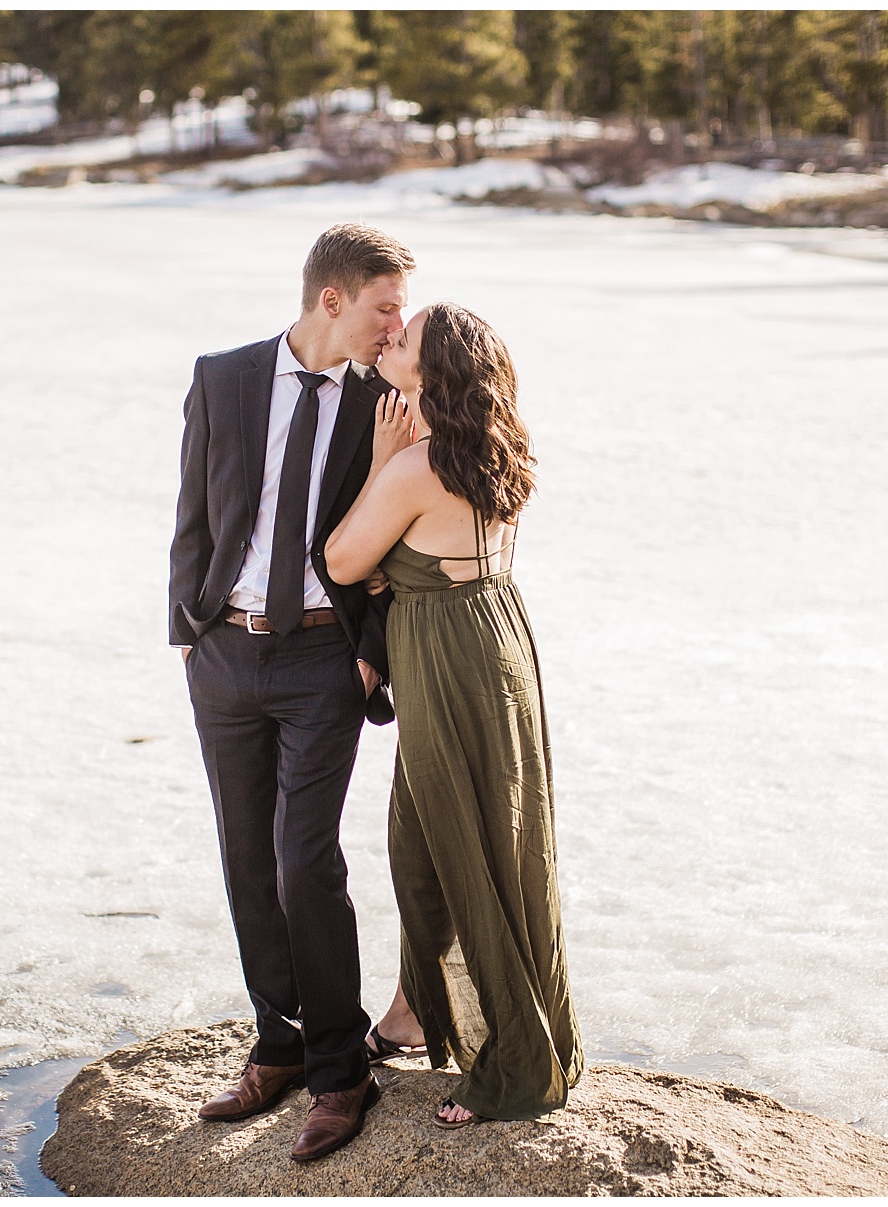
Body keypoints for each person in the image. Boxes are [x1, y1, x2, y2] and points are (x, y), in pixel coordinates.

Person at [168, 223, 414, 1161]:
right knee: (244, 857)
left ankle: (340, 1070)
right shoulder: (223, 377)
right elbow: (192, 508)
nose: (397, 327)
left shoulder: (388, 400)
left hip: (324, 661)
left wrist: (370, 656)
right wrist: (186, 633)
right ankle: (277, 1042)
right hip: (225, 654)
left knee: (303, 860)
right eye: (385, 307)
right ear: (332, 301)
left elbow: (400, 545)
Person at [323, 301, 584, 1129]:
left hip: (447, 660)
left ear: (430, 376)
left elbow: (341, 556)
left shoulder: (416, 464)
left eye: (406, 338)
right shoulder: (494, 451)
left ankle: (512, 1057)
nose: (390, 338)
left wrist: (378, 459)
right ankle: (410, 1012)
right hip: (499, 643)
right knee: (468, 837)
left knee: (458, 844)